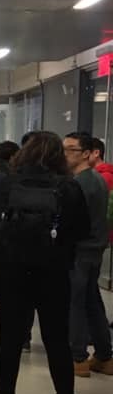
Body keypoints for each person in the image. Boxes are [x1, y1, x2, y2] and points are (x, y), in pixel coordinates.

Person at [0, 132, 89, 394]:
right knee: (57, 340)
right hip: (53, 274)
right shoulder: (68, 187)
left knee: (10, 340)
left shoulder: (7, 183)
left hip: (10, 272)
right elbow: (81, 230)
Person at [62, 132, 113, 376]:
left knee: (76, 304)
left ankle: (77, 357)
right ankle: (104, 355)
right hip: (94, 249)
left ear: (85, 153)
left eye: (70, 149)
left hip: (80, 251)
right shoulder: (98, 179)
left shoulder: (79, 183)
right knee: (92, 302)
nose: (64, 154)